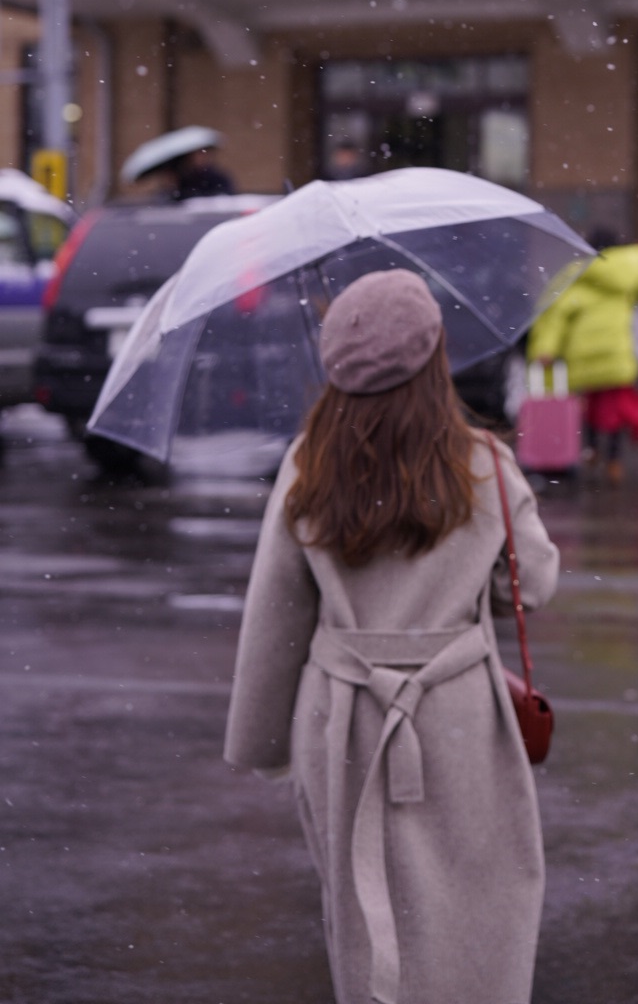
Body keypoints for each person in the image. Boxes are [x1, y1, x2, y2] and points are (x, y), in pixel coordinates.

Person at [224, 270, 559, 1004]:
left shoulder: (308, 463)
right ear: (435, 356)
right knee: (478, 900)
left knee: (364, 907)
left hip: (340, 717)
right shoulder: (483, 466)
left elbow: (278, 610)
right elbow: (529, 586)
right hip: (458, 718)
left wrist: (261, 739)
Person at [526, 225, 638, 483]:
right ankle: (613, 460)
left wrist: (546, 350)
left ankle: (591, 448)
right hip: (616, 353)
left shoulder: (575, 274)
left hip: (581, 357)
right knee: (613, 410)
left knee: (591, 406)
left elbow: (555, 318)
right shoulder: (630, 269)